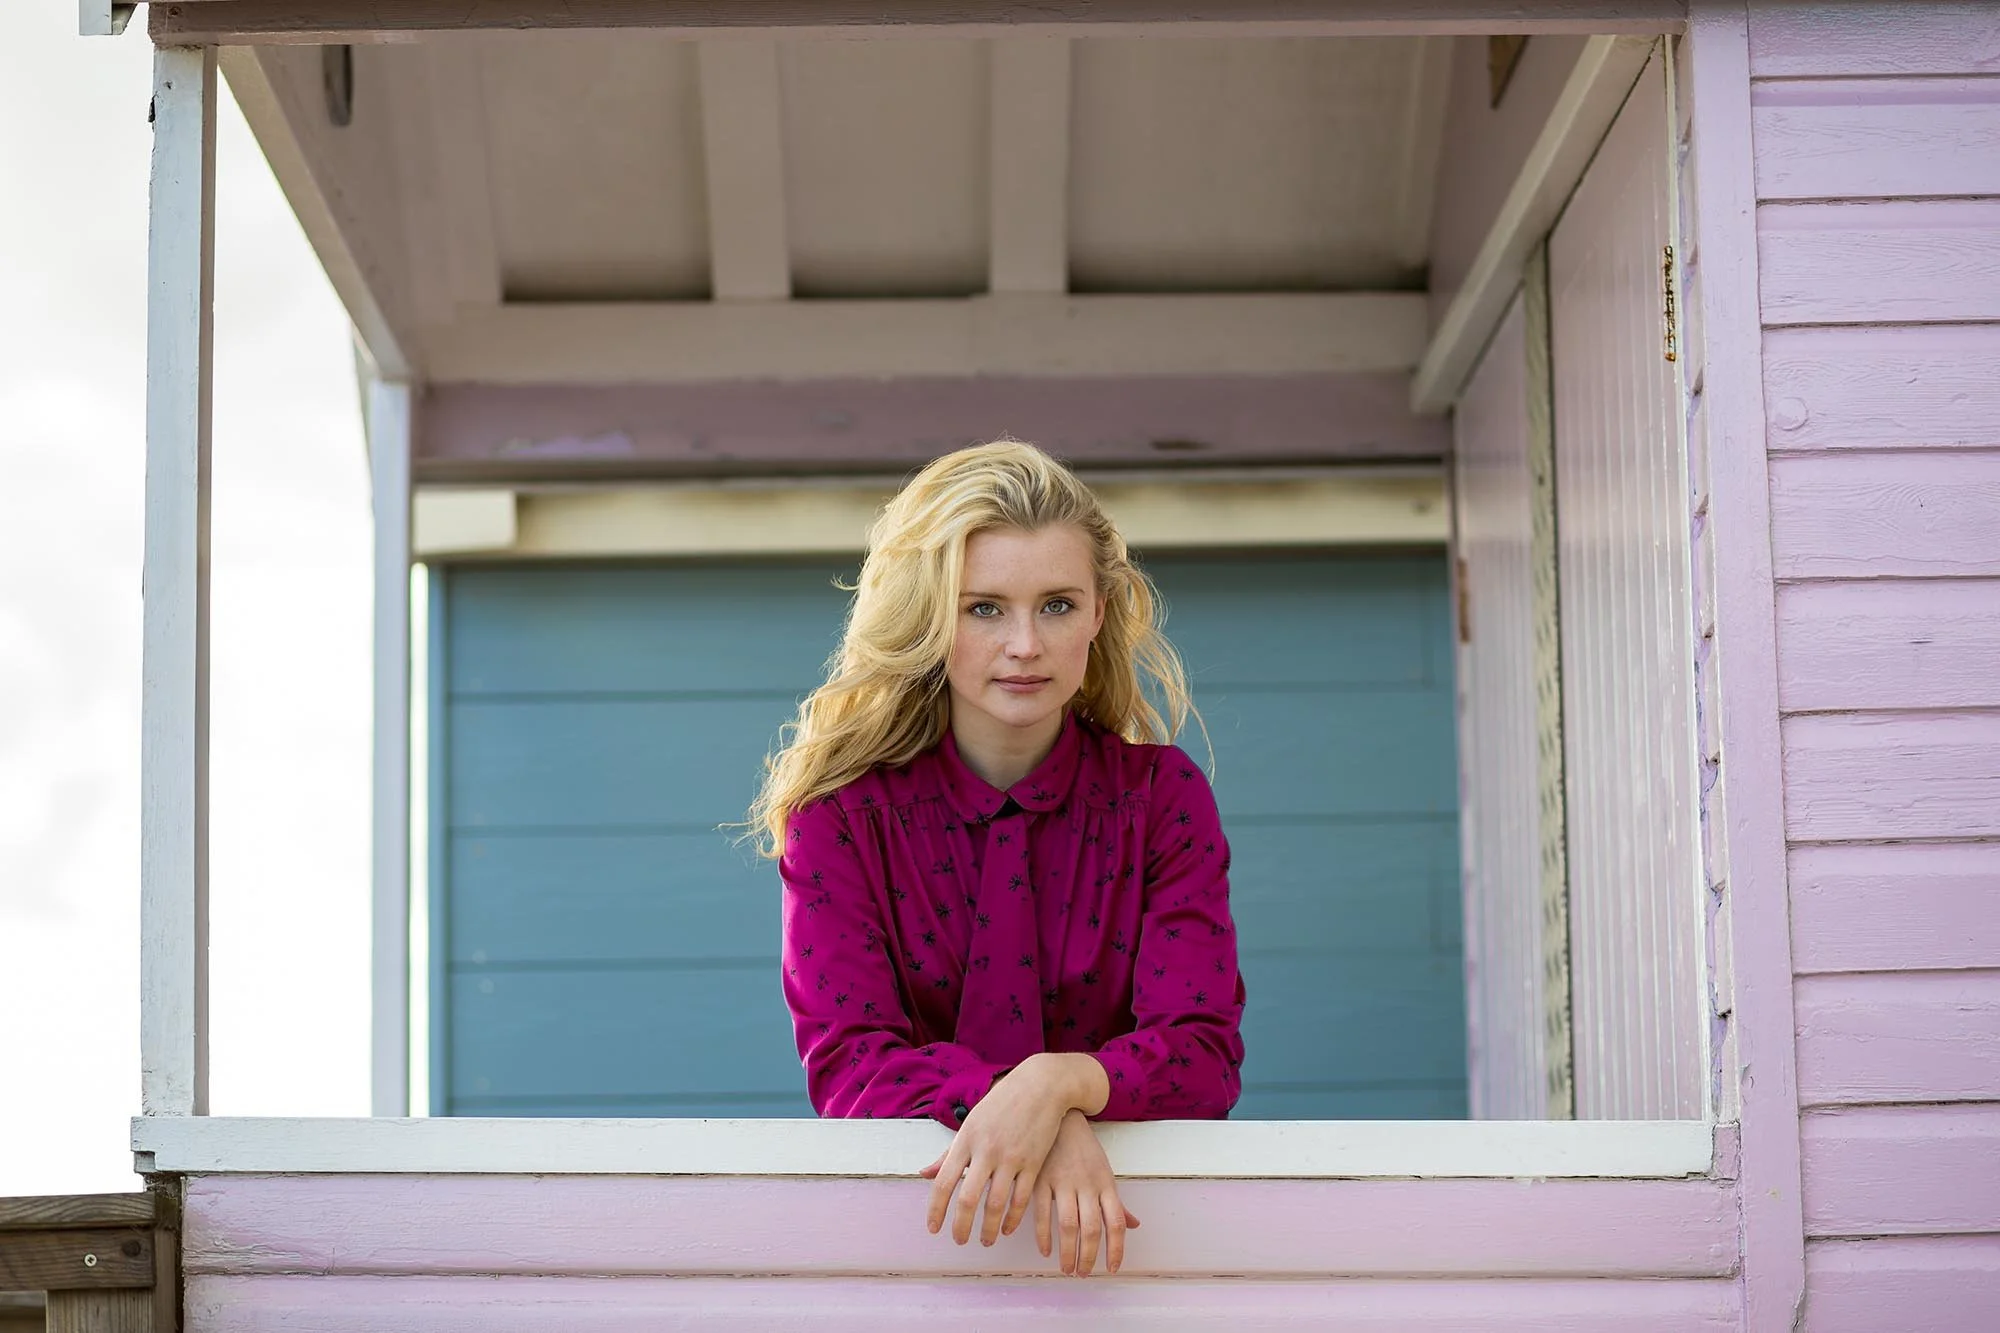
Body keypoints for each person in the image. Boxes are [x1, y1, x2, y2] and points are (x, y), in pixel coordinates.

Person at [749, 440, 1245, 1278]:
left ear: (1099, 612)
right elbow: (851, 1063)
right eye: (984, 607)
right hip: (909, 1250)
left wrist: (1059, 1085)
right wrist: (1026, 1111)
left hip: (1134, 1256)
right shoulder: (840, 817)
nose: (1025, 644)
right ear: (929, 615)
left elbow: (1201, 1051)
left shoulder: (1161, 798)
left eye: (1056, 604)